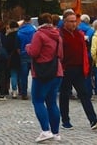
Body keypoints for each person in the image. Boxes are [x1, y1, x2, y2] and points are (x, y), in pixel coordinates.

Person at [58, 11, 97, 130]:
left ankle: (93, 120)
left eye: (75, 21)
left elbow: (84, 51)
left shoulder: (79, 34)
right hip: (66, 69)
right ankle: (65, 121)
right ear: (65, 22)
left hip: (78, 68)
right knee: (64, 95)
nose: (74, 24)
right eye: (71, 21)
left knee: (84, 94)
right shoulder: (60, 34)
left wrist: (86, 66)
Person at [26, 13, 64, 143]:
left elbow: (34, 52)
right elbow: (61, 54)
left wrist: (28, 47)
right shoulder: (57, 35)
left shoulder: (39, 34)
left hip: (42, 72)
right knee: (52, 102)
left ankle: (45, 131)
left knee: (37, 100)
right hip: (57, 71)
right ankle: (56, 132)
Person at [16, 17, 36, 100]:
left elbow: (17, 47)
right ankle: (35, 92)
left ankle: (24, 93)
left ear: (23, 22)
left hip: (23, 55)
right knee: (35, 76)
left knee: (23, 76)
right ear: (30, 21)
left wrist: (20, 53)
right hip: (33, 55)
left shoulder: (19, 32)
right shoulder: (34, 31)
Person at [3, 20, 21, 99]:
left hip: (12, 57)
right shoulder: (20, 34)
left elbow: (6, 47)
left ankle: (14, 91)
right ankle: (22, 90)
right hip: (20, 56)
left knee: (13, 74)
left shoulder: (8, 36)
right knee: (21, 74)